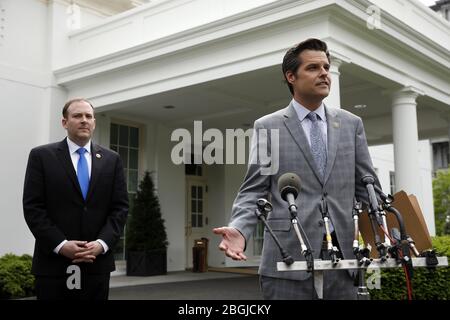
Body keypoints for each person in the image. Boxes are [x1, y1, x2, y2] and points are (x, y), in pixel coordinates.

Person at [213, 38, 380, 300]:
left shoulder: (351, 124)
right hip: (287, 258)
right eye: (313, 68)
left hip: (346, 257)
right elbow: (254, 189)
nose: (324, 73)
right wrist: (240, 229)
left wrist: (389, 235)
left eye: (326, 66)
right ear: (291, 76)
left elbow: (368, 188)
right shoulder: (268, 126)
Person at [23, 98, 128, 300]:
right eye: (77, 116)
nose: (84, 120)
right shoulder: (41, 156)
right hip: (53, 266)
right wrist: (61, 245)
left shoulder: (111, 159)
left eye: (88, 116)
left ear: (94, 123)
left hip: (96, 265)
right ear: (64, 122)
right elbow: (33, 207)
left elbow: (120, 208)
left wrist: (102, 244)